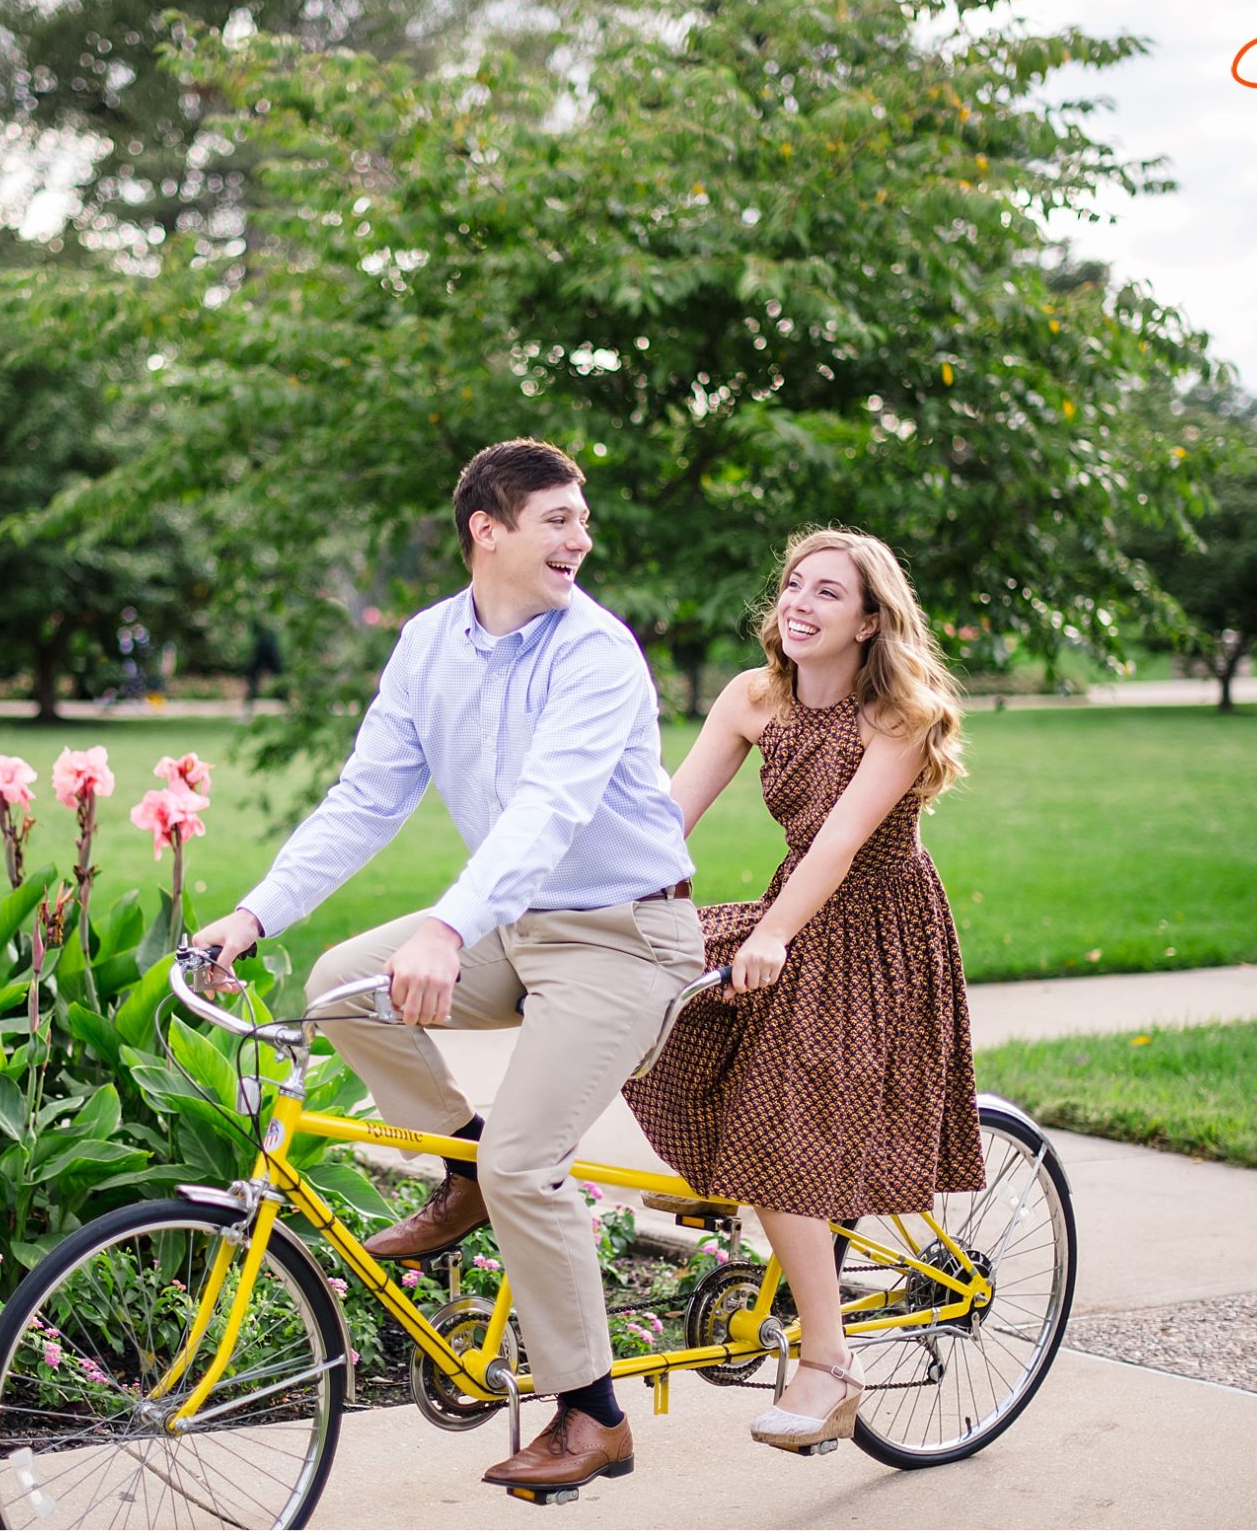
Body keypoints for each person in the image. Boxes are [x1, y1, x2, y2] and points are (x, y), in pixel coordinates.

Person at [194, 439, 705, 1497]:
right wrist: (252, 911)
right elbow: (364, 800)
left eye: (582, 518)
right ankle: (462, 1163)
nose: (581, 538)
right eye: (557, 518)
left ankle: (589, 1413)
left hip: (623, 935)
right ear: (489, 527)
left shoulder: (597, 651)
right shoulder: (429, 642)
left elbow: (547, 810)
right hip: (514, 923)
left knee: (533, 1161)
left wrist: (445, 927)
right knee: (340, 982)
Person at [621, 527, 984, 1455]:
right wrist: (601, 887)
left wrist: (777, 933)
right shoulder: (754, 696)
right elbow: (669, 815)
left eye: (829, 592)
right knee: (647, 993)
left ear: (869, 621)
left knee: (781, 1127)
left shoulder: (899, 715)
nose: (801, 603)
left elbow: (841, 843)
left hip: (873, 927)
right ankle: (725, 1172)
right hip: (795, 909)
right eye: (793, 584)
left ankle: (829, 1366)